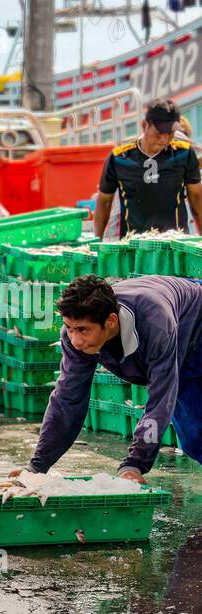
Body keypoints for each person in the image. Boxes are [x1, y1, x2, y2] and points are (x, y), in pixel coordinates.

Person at [19, 274, 202, 482]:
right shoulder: (74, 337)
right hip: (172, 339)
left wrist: (134, 464)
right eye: (69, 328)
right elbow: (67, 399)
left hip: (195, 320)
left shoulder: (156, 324)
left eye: (83, 330)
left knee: (195, 429)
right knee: (194, 438)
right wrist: (37, 466)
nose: (76, 340)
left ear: (112, 321)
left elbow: (161, 399)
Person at [94, 97, 202, 239]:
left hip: (175, 244)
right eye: (159, 132)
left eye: (170, 133)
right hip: (133, 246)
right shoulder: (119, 158)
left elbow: (196, 197)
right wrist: (97, 241)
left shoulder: (184, 153)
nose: (164, 139)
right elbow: (104, 202)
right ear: (144, 125)